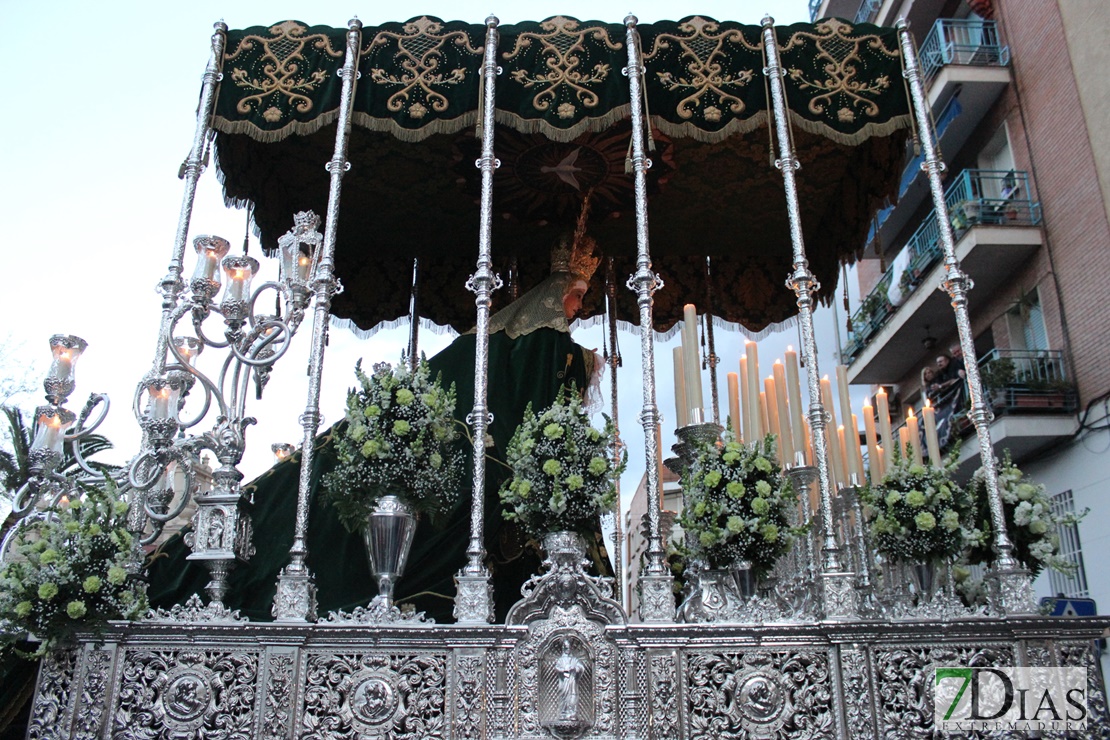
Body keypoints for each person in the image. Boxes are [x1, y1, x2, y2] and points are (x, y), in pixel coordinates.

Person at [147, 235, 607, 624]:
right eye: (577, 295)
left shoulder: (516, 340)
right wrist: (589, 362)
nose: (579, 308)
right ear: (554, 293)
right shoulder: (542, 340)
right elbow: (538, 380)